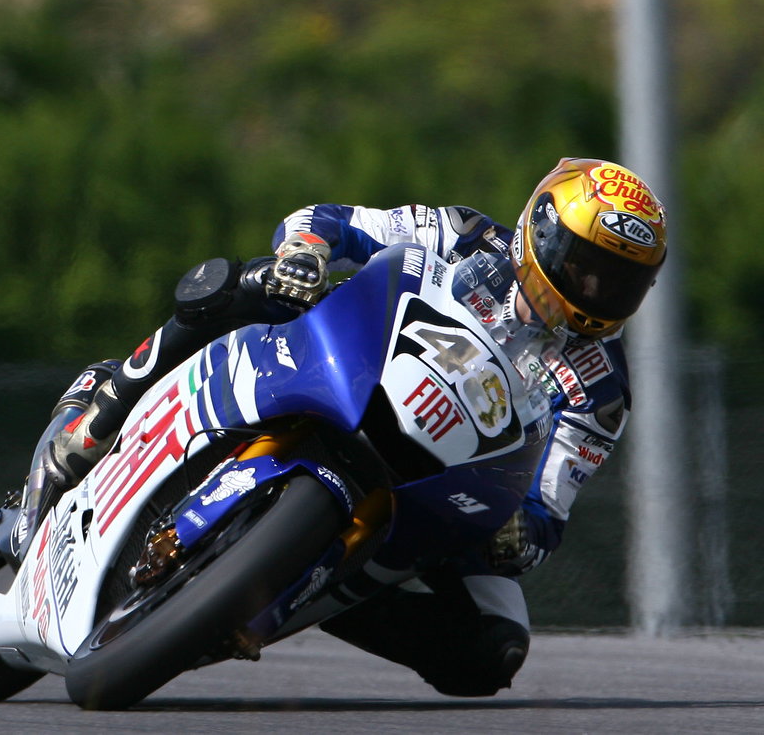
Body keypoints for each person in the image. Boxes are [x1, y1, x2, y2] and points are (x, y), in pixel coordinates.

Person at [41, 157, 668, 697]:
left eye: (620, 282)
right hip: (347, 369)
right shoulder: (463, 234)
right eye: (584, 264)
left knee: (496, 647)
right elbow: (332, 220)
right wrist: (305, 254)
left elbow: (548, 509)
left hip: (435, 487)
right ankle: (103, 408)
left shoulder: (601, 392)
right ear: (541, 228)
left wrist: (518, 534)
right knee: (245, 283)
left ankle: (310, 592)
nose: (594, 289)